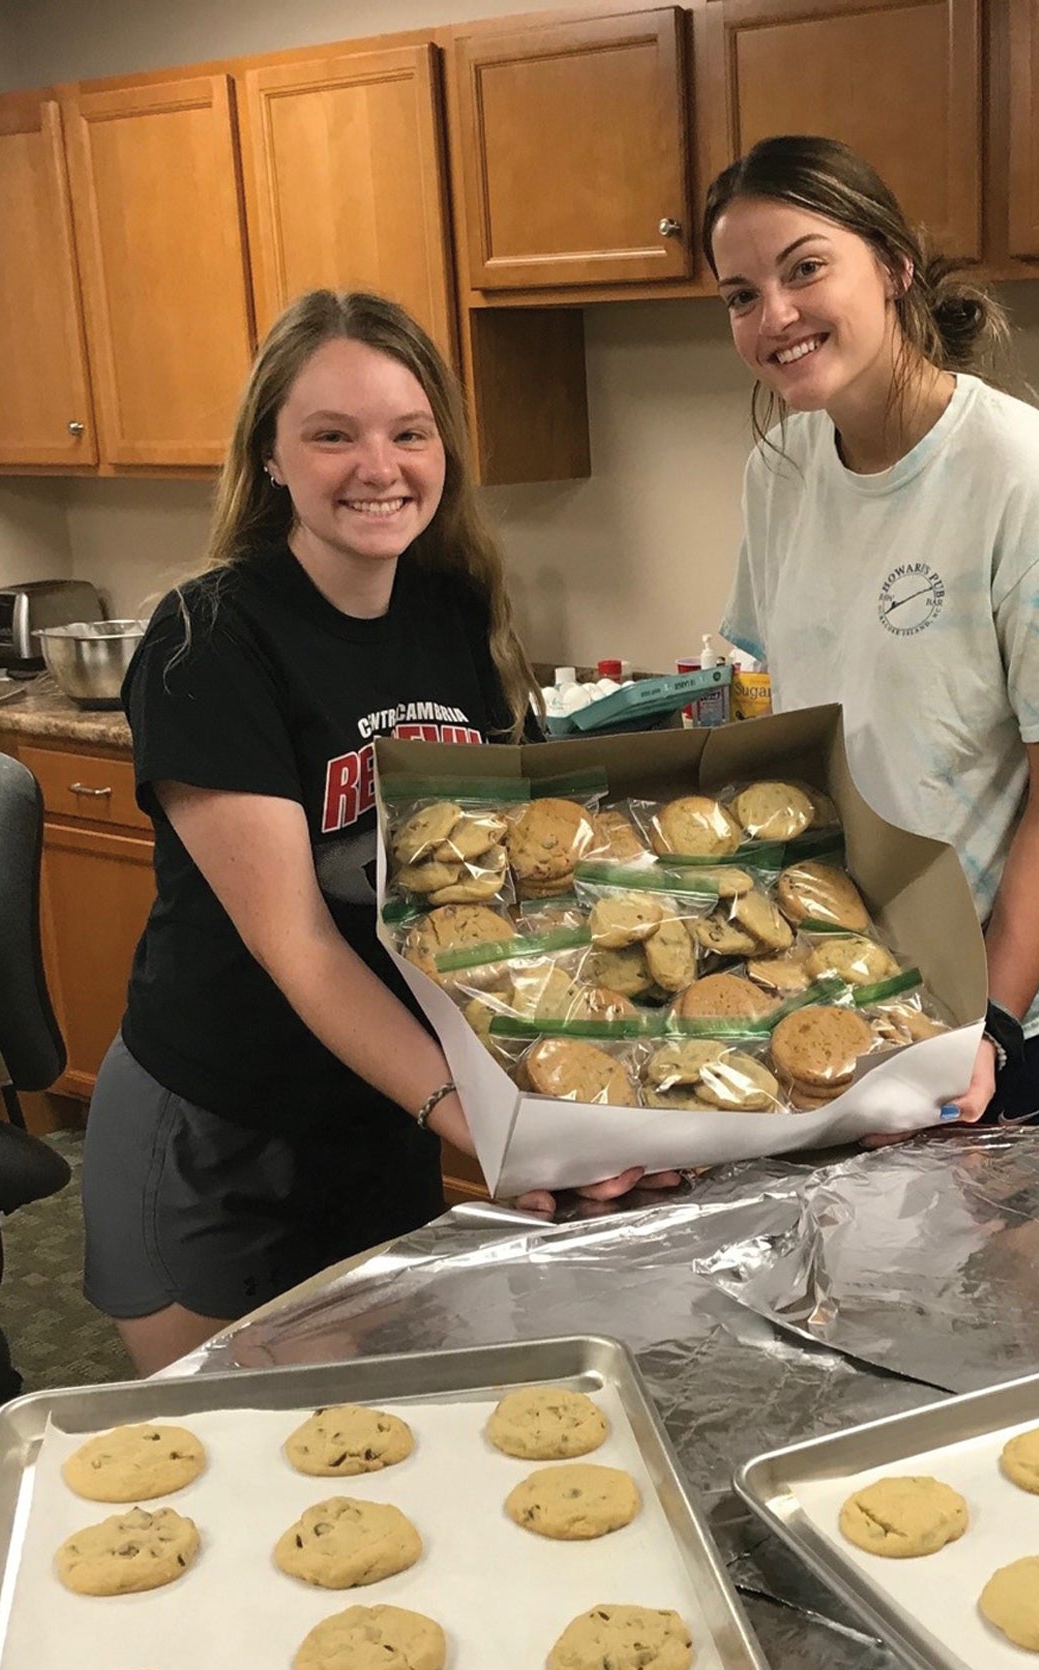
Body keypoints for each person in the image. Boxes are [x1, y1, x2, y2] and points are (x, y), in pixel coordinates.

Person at [85, 290, 668, 1375]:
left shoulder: (453, 616)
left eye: (409, 432)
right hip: (223, 1130)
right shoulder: (207, 642)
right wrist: (489, 1124)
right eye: (332, 434)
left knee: (387, 1438)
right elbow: (298, 944)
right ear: (270, 455)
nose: (378, 466)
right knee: (226, 1459)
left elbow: (499, 907)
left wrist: (584, 1092)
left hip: (379, 1112)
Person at [707, 136, 1039, 1134]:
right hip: (864, 996)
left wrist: (985, 1027)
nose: (772, 317)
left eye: (804, 268)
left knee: (1029, 1293)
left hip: (1024, 1010)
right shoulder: (778, 469)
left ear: (894, 266)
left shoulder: (1027, 480)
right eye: (739, 294)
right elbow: (785, 712)